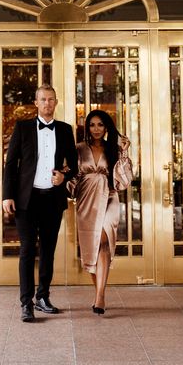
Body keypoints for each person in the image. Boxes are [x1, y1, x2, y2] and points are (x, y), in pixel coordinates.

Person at [2, 84, 78, 323]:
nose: (47, 103)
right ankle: (26, 303)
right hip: (26, 199)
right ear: (36, 103)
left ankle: (43, 297)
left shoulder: (65, 130)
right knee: (27, 250)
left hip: (52, 199)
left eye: (51, 100)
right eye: (43, 100)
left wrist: (63, 176)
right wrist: (7, 195)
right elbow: (10, 164)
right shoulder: (22, 128)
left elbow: (74, 165)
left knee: (48, 250)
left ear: (56, 103)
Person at [69, 109, 133, 314]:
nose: (96, 129)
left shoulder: (113, 149)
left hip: (109, 197)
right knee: (92, 246)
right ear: (87, 127)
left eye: (101, 125)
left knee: (104, 241)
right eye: (92, 125)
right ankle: (98, 292)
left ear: (107, 128)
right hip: (87, 200)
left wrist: (124, 152)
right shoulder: (78, 149)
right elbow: (72, 177)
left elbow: (124, 180)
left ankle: (100, 296)